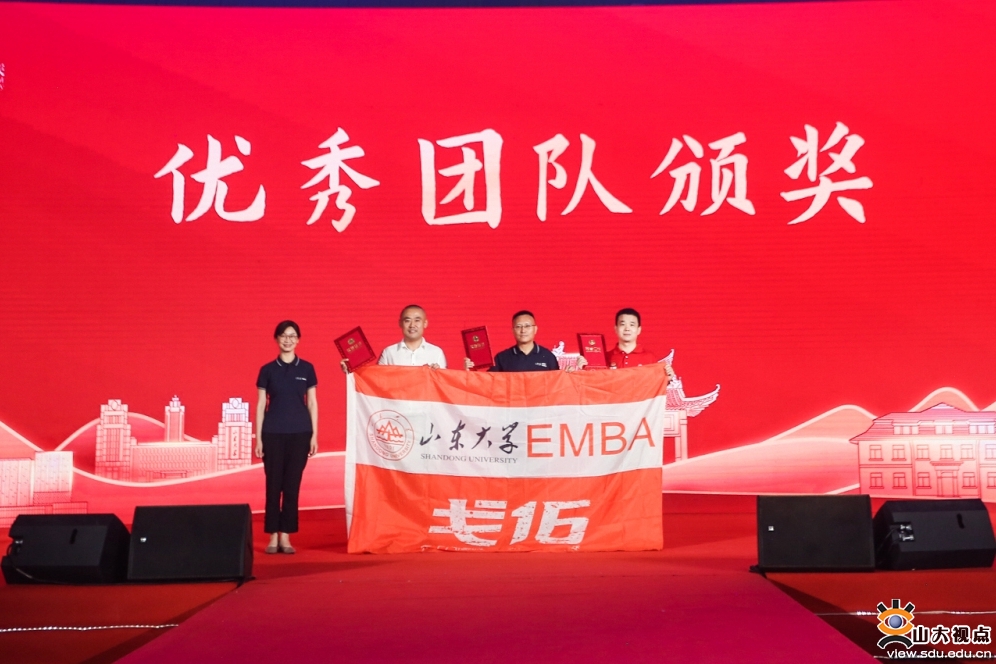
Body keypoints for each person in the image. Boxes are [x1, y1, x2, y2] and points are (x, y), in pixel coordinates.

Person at [255, 320, 318, 555]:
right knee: (273, 486)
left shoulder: (307, 369)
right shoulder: (267, 370)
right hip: (272, 434)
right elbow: (260, 405)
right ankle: (272, 535)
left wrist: (314, 435)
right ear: (277, 339)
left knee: (292, 486)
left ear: (298, 340)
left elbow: (312, 403)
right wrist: (259, 438)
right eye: (283, 335)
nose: (288, 340)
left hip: (300, 434)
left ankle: (286, 535)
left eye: (292, 336)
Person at [465, 310, 563, 372]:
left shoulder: (548, 357)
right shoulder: (502, 358)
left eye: (527, 326)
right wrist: (471, 371)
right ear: (512, 330)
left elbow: (557, 385)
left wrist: (570, 374)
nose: (523, 330)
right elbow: (488, 383)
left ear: (535, 329)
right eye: (518, 326)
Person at [378, 304, 447, 368]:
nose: (412, 325)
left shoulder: (436, 352)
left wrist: (437, 373)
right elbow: (379, 376)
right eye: (407, 321)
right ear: (400, 323)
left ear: (425, 323)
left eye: (417, 320)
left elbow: (443, 377)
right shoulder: (389, 353)